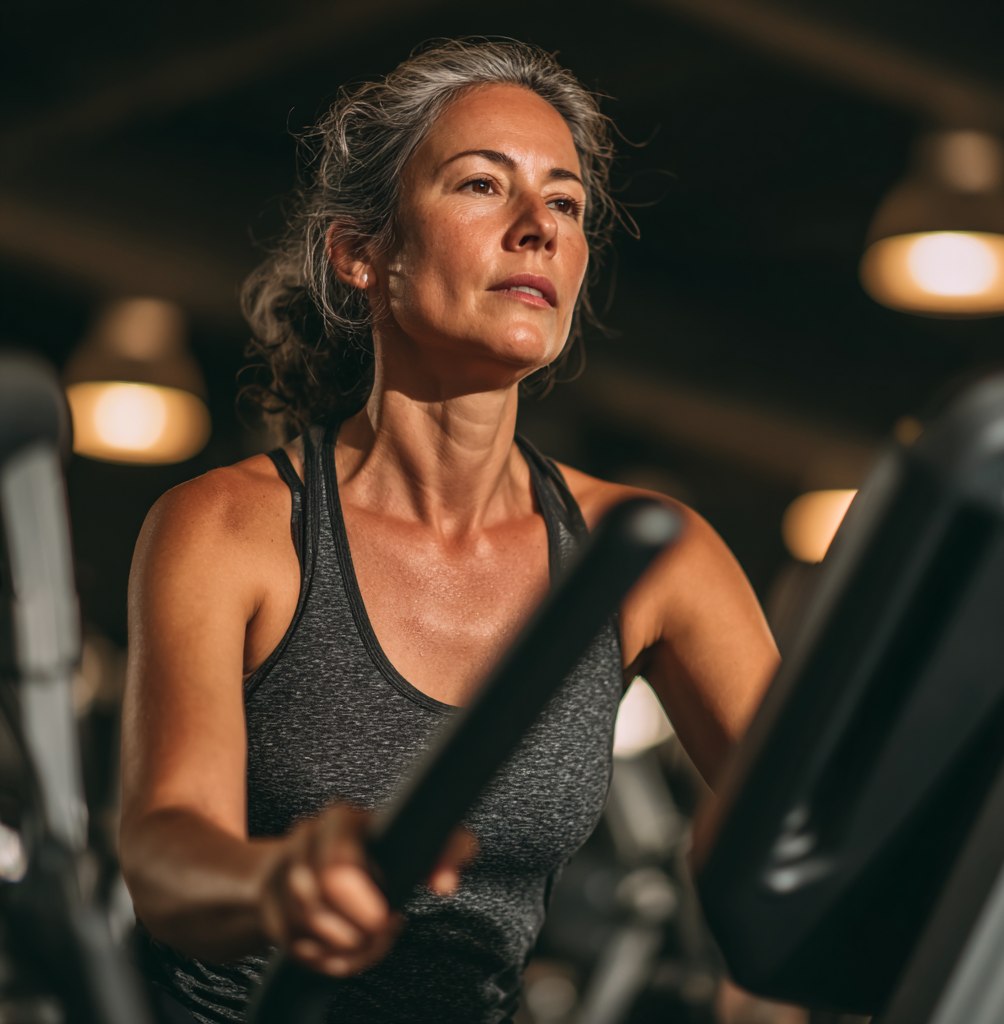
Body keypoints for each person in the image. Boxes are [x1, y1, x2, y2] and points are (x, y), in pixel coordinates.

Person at [119, 38, 779, 1024]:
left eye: (564, 203)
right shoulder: (232, 527)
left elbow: (830, 830)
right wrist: (274, 883)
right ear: (360, 253)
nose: (537, 229)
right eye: (482, 185)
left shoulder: (649, 550)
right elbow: (164, 848)